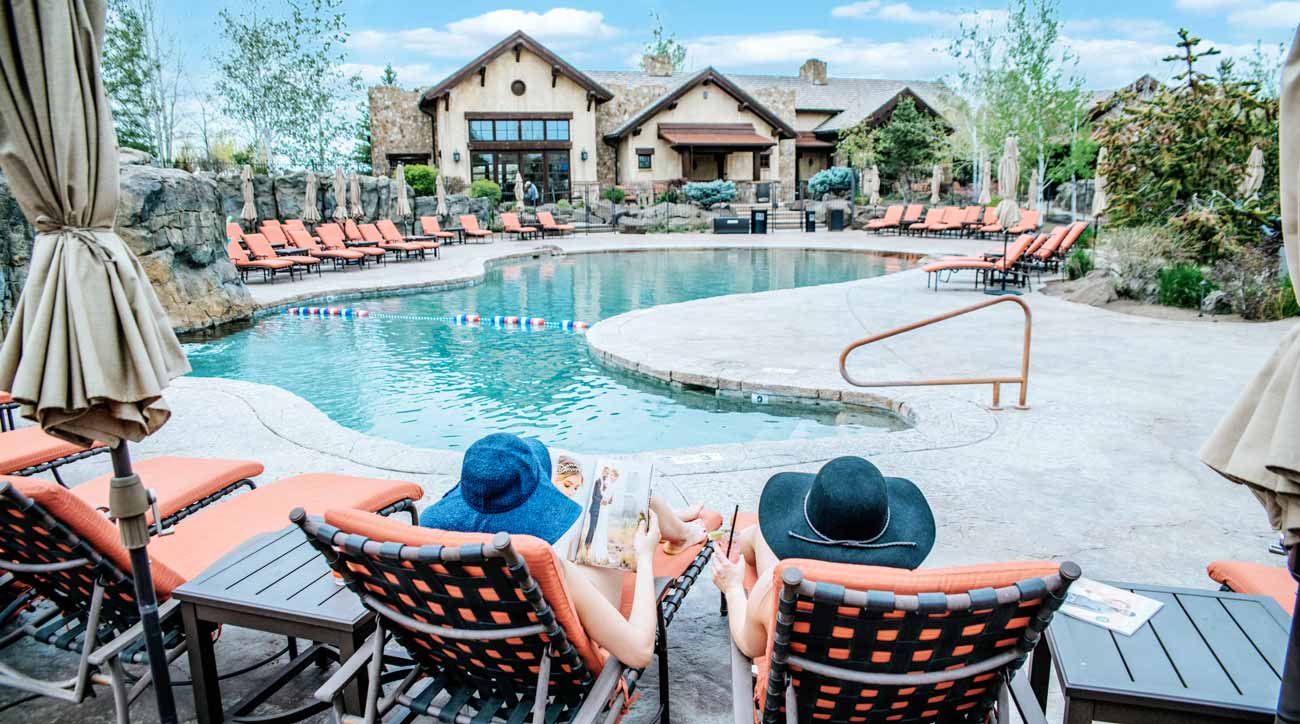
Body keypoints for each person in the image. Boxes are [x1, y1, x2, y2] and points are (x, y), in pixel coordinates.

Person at [420, 433, 710, 668]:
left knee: (609, 496)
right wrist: (645, 556)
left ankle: (673, 521)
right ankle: (677, 531)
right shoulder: (549, 568)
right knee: (618, 505)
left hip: (480, 650)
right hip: (555, 648)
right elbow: (639, 651)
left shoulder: (435, 542)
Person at [711, 456, 935, 658]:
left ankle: (742, 539)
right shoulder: (919, 598)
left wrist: (732, 588)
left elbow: (750, 645)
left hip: (799, 700)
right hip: (891, 699)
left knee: (761, 536)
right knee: (759, 536)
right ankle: (745, 537)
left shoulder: (777, 589)